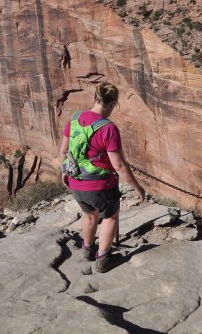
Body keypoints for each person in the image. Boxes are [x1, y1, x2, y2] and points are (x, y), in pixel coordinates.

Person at [58, 82, 145, 273]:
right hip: (99, 185)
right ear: (113, 102)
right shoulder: (108, 128)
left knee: (89, 214)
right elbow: (119, 165)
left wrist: (64, 172)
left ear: (95, 98)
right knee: (110, 217)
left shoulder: (74, 118)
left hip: (76, 182)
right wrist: (137, 187)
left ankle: (87, 251)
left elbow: (63, 151)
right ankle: (104, 259)